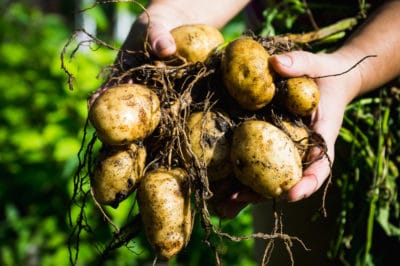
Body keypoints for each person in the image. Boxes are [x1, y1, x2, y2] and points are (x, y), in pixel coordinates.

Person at [114, 0, 400, 263]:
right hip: (299, 125)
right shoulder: (259, 129)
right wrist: (174, 13)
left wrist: (356, 69)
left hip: (370, 83)